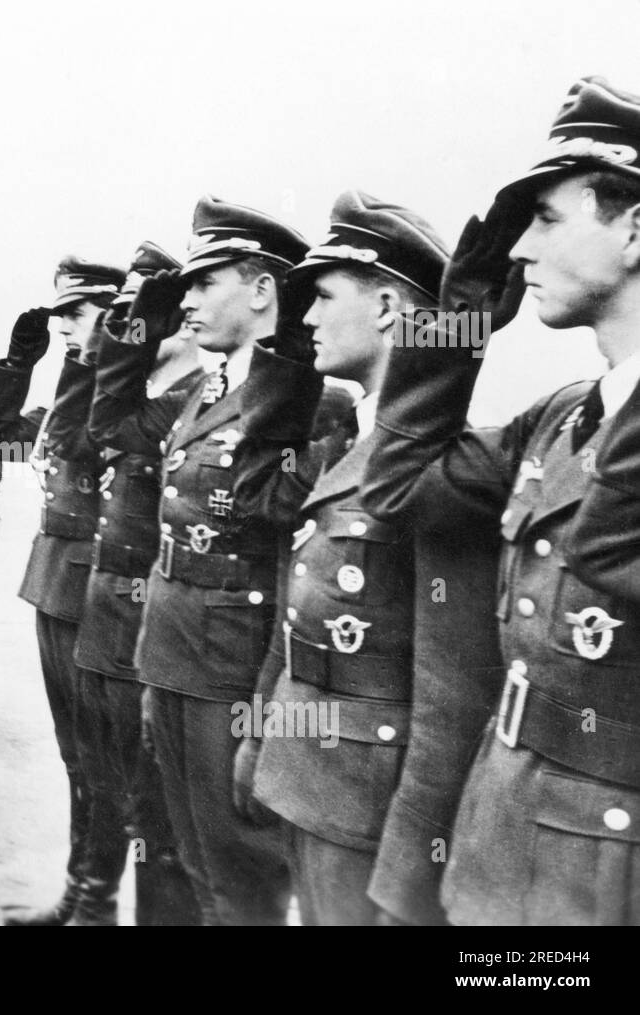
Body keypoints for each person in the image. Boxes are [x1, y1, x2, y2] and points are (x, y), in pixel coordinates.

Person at [362, 75, 640, 925]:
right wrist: (458, 323)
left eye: (547, 218)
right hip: (501, 827)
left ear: (636, 229)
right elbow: (401, 490)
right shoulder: (563, 417)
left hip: (606, 867)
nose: (517, 249)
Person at [92, 197, 346, 924]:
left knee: (242, 879)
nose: (190, 302)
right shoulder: (204, 390)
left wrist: (271, 706)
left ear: (263, 289)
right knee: (183, 859)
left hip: (235, 666)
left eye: (205, 285)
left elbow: (292, 562)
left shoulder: (317, 403)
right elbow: (109, 421)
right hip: (172, 656)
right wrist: (143, 310)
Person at [229, 190, 462, 923]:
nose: (306, 319)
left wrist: (418, 840)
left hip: (372, 803)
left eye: (323, 298)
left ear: (390, 306)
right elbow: (295, 603)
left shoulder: (445, 465)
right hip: (309, 776)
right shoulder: (341, 446)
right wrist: (260, 732)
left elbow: (451, 684)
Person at [0, 256, 132, 925]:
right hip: (57, 582)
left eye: (79, 313)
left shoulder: (128, 389)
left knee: (106, 756)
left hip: (106, 589)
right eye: (59, 314)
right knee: (75, 754)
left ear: (118, 317)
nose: (65, 326)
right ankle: (81, 891)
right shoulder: (70, 382)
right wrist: (16, 367)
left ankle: (97, 901)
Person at [74, 240, 203, 924]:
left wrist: (138, 320)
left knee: (153, 806)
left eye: (140, 312)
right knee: (104, 778)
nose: (124, 327)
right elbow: (94, 419)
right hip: (110, 609)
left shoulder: (191, 395)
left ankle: (103, 905)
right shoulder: (156, 390)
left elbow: (103, 420)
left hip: (152, 620)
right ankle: (90, 904)